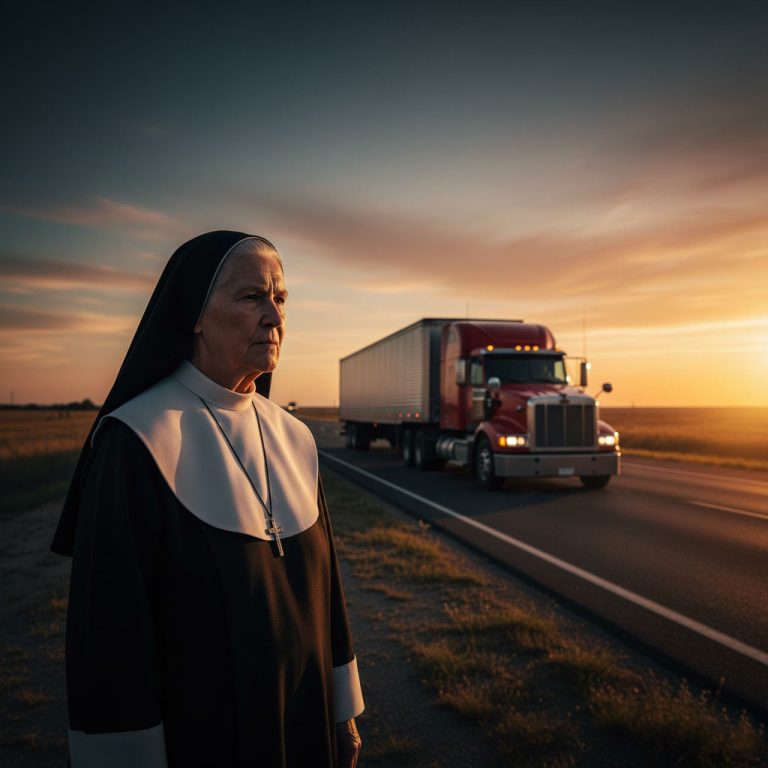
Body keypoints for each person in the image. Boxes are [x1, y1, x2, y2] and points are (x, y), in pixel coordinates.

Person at [51, 231, 364, 768]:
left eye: (280, 298)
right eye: (251, 297)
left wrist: (343, 710)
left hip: (305, 725)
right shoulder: (137, 440)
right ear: (194, 314)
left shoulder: (296, 438)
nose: (273, 316)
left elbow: (325, 588)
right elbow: (112, 638)